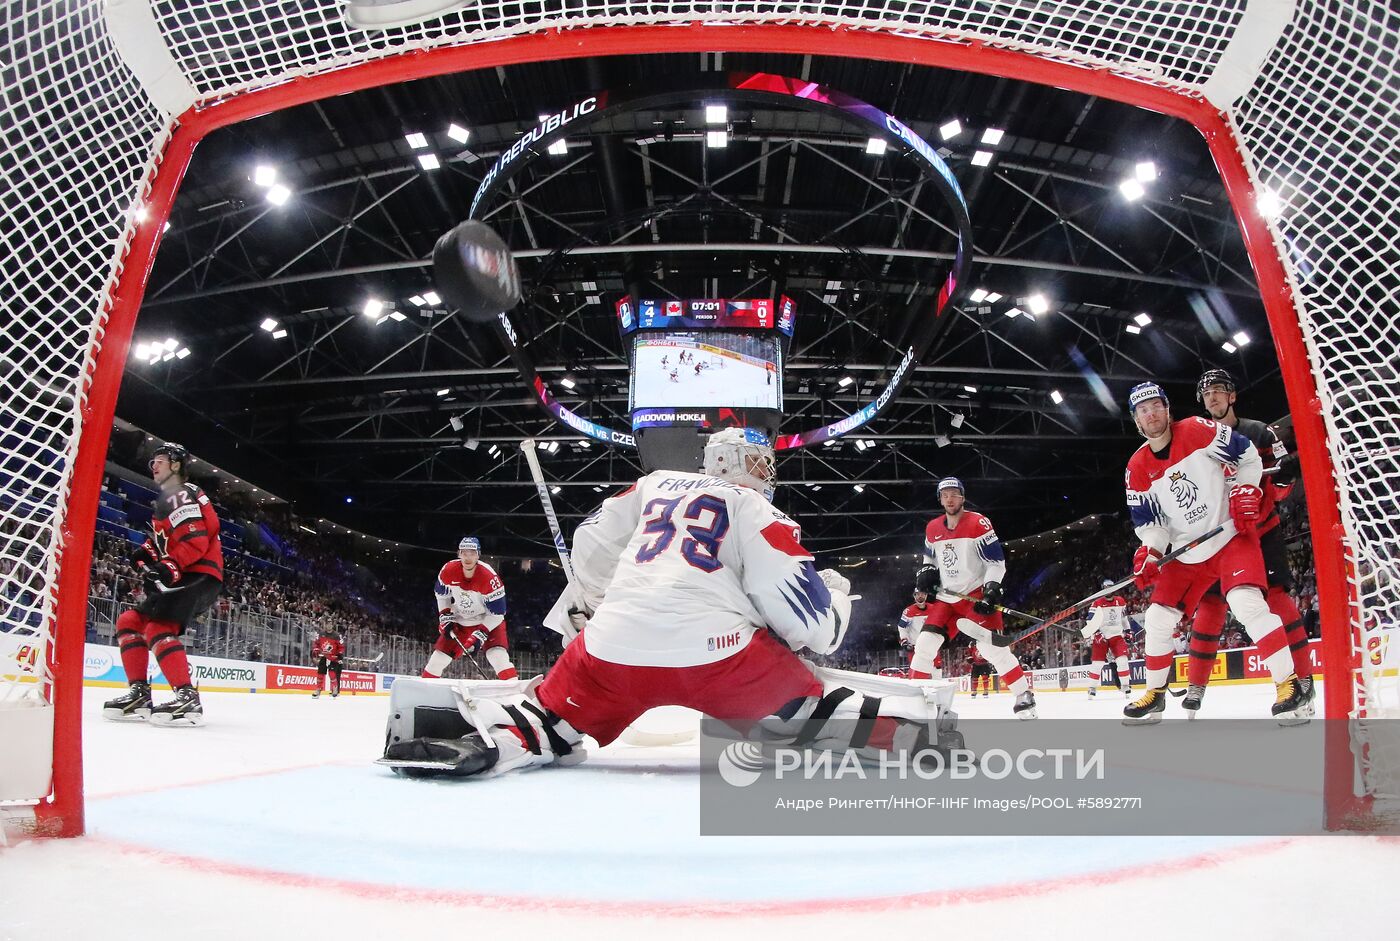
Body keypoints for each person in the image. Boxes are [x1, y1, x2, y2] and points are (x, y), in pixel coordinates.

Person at [379, 427, 955, 778]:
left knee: (550, 717)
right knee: (805, 712)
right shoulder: (761, 512)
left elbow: (589, 547)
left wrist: (608, 601)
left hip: (612, 651)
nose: (766, 473)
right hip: (720, 660)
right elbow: (813, 631)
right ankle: (916, 736)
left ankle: (496, 740)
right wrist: (832, 594)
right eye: (759, 462)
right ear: (731, 466)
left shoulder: (652, 483)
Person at [1121, 381, 1307, 725]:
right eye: (1143, 410)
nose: (1151, 414)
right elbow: (1153, 524)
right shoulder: (1136, 469)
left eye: (1155, 406)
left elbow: (1247, 456)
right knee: (1157, 619)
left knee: (1247, 603)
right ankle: (1156, 694)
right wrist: (1150, 552)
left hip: (1229, 536)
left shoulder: (1196, 429)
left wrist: (1246, 488)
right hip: (1186, 553)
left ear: (1167, 409)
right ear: (1136, 420)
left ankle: (1288, 685)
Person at [1180, 369, 1314, 718]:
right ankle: (1196, 688)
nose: (1212, 398)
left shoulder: (1259, 432)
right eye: (1206, 393)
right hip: (1217, 538)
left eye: (1219, 391)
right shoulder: (1196, 440)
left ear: (1232, 396)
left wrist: (1282, 479)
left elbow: (1283, 485)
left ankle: (1302, 682)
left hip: (1260, 531)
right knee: (1209, 608)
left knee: (1276, 599)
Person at [102, 443, 222, 727]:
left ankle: (187, 697)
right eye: (152, 461)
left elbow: (195, 541)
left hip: (197, 573)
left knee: (158, 628)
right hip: (187, 571)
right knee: (130, 621)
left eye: (160, 460)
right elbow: (168, 541)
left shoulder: (181, 493)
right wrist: (148, 551)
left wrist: (169, 565)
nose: (153, 466)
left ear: (177, 465)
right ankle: (140, 694)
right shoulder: (169, 499)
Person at [912, 477, 1036, 718]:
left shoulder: (978, 523)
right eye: (945, 494)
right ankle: (913, 701)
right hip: (947, 597)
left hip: (975, 596)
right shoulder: (932, 528)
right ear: (940, 499)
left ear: (962, 497)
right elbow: (930, 559)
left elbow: (996, 562)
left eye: (954, 494)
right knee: (924, 645)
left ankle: (1024, 696)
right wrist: (926, 571)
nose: (950, 498)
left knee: (991, 651)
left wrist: (991, 588)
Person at [421, 537, 517, 681]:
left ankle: (515, 691)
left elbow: (498, 614)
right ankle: (423, 692)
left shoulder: (489, 577)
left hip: (487, 621)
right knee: (437, 661)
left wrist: (481, 634)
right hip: (460, 620)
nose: (468, 557)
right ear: (459, 554)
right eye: (464, 553)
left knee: (497, 656)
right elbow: (442, 595)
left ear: (478, 555)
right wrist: (445, 615)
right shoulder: (448, 570)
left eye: (472, 553)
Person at [1083, 579, 1134, 699]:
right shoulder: (1097, 602)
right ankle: (1092, 687)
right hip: (1102, 636)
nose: (1108, 590)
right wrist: (1096, 632)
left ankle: (1125, 685)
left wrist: (1128, 631)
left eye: (1110, 588)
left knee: (1122, 660)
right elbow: (1089, 620)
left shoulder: (1120, 601)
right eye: (1106, 588)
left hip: (1117, 635)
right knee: (1098, 663)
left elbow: (1124, 618)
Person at [896, 567, 937, 677]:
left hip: (930, 645)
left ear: (926, 595)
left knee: (936, 668)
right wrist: (904, 641)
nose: (920, 596)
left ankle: (935, 690)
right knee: (917, 671)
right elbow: (902, 627)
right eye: (918, 594)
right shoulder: (909, 611)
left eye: (923, 594)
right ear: (914, 596)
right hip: (915, 647)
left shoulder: (934, 608)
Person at [312, 626, 345, 698]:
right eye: (327, 623)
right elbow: (316, 643)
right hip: (324, 656)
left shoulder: (337, 636)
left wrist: (340, 653)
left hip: (333, 658)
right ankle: (318, 689)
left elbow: (341, 646)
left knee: (332, 673)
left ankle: (335, 688)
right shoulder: (321, 634)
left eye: (330, 623)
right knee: (320, 673)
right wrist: (316, 650)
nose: (329, 625)